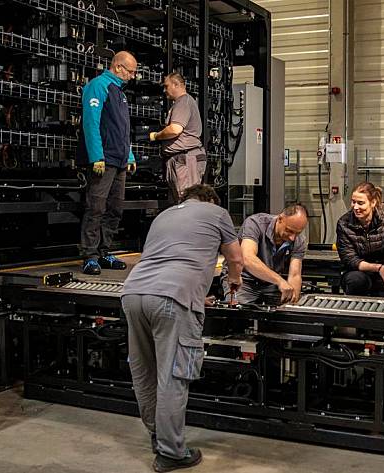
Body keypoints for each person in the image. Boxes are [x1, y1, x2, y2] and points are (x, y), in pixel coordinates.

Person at [121, 184, 243, 472]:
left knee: (145, 372)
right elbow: (236, 258)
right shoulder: (217, 212)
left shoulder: (162, 216)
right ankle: (171, 453)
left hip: (134, 294)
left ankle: (158, 436)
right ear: (209, 200)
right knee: (173, 376)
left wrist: (197, 295)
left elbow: (171, 258)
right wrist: (234, 281)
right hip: (170, 299)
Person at [78, 51, 137, 275]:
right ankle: (89, 256)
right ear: (118, 67)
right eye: (130, 71)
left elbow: (122, 129)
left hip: (119, 160)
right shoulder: (98, 86)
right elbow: (90, 122)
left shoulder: (119, 93)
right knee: (96, 207)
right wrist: (96, 156)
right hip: (104, 160)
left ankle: (104, 252)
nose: (132, 76)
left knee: (114, 209)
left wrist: (129, 156)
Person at [222, 204, 308, 305]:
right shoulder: (255, 224)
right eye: (289, 231)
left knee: (283, 314)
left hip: (269, 284)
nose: (292, 237)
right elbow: (248, 259)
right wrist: (279, 281)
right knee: (239, 315)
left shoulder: (299, 240)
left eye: (297, 233)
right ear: (280, 219)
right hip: (242, 281)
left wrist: (292, 301)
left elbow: (295, 275)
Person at [336, 182, 384, 297]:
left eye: (360, 203)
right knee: (356, 281)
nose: (355, 207)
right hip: (357, 272)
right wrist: (379, 268)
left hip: (383, 272)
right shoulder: (344, 223)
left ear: (373, 202)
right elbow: (350, 259)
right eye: (353, 202)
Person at [149, 72, 206, 203]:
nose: (164, 90)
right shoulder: (183, 102)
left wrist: (157, 136)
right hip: (182, 159)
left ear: (176, 84)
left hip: (186, 159)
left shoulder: (183, 102)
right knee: (183, 202)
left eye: (166, 86)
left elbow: (175, 129)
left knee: (187, 202)